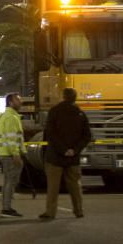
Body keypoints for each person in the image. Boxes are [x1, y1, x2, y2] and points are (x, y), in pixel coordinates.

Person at [39, 88, 91, 220]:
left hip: (55, 156)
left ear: (62, 96)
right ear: (75, 98)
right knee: (75, 186)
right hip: (73, 158)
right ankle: (78, 210)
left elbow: (50, 134)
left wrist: (63, 149)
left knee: (53, 187)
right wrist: (74, 150)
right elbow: (87, 136)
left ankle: (51, 212)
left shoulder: (54, 111)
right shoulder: (80, 113)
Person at [0, 93, 26, 217]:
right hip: (10, 154)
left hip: (6, 153)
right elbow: (11, 138)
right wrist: (16, 154)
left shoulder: (9, 116)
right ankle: (6, 208)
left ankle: (6, 207)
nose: (21, 102)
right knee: (11, 181)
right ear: (10, 102)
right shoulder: (11, 117)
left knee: (8, 181)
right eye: (18, 100)